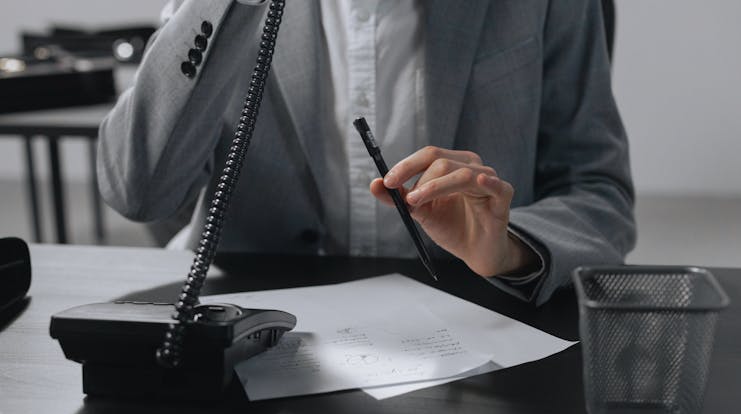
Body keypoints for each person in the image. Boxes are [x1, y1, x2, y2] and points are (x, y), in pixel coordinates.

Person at [98, 0, 635, 305]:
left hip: (473, 327)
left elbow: (599, 192)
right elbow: (137, 192)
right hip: (255, 326)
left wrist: (511, 249)